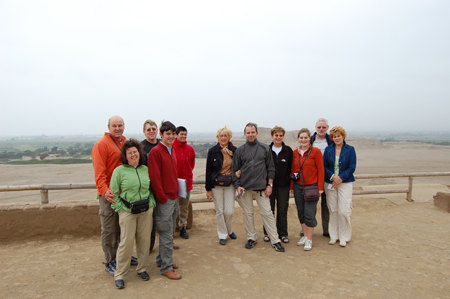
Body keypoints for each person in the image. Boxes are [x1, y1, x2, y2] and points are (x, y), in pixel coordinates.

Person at [92, 115, 137, 276]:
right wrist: (105, 191)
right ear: (108, 127)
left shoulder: (123, 142)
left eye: (120, 125)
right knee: (110, 229)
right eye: (114, 126)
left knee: (122, 228)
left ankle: (122, 256)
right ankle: (110, 261)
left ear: (124, 126)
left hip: (123, 195)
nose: (117, 128)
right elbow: (99, 173)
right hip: (109, 195)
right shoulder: (101, 145)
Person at [231, 122, 285, 252]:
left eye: (252, 132)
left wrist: (269, 185)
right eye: (248, 132)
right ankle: (251, 238)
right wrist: (238, 186)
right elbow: (234, 170)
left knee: (267, 213)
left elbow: (271, 168)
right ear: (245, 134)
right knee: (248, 214)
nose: (250, 135)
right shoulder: (240, 151)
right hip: (245, 188)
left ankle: (275, 239)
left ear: (257, 133)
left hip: (261, 188)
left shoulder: (265, 148)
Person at [110, 139, 156, 289]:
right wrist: (121, 209)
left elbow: (150, 189)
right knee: (126, 243)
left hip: (145, 210)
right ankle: (120, 274)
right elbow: (113, 194)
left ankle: (142, 269)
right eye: (129, 153)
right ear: (125, 155)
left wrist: (151, 204)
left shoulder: (145, 169)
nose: (133, 155)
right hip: (128, 212)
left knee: (144, 241)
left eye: (135, 152)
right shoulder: (119, 171)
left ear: (139, 153)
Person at [148, 121, 182, 280]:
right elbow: (154, 178)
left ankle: (162, 260)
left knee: (168, 232)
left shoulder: (171, 149)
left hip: (173, 197)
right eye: (168, 133)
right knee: (166, 233)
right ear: (161, 135)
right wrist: (162, 197)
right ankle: (166, 268)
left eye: (173, 133)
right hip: (165, 199)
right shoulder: (156, 152)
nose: (171, 136)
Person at [291, 128, 324, 251]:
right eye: (301, 138)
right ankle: (305, 236)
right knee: (301, 212)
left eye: (305, 137)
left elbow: (321, 170)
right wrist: (291, 187)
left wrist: (320, 187)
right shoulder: (295, 152)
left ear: (309, 138)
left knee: (309, 214)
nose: (303, 140)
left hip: (312, 187)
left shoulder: (316, 152)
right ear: (298, 139)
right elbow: (293, 170)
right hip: (298, 186)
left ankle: (309, 240)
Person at [323, 126, 357, 247]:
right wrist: (333, 176)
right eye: (334, 136)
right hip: (331, 182)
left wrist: (341, 177)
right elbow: (324, 166)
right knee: (333, 210)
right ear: (332, 138)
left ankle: (344, 236)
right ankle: (334, 235)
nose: (337, 138)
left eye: (339, 136)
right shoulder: (328, 150)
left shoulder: (350, 149)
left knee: (344, 210)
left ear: (343, 136)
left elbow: (352, 167)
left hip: (345, 183)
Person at [205, 126, 238, 245]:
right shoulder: (212, 151)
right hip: (216, 184)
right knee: (219, 210)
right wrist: (208, 189)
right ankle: (223, 234)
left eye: (225, 135)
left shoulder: (235, 150)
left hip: (230, 183)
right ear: (218, 137)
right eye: (221, 136)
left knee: (229, 211)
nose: (223, 138)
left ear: (229, 137)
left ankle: (229, 230)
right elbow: (208, 170)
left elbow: (239, 166)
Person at [262, 126, 293, 244]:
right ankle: (268, 233)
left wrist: (290, 186)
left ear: (283, 136)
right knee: (269, 210)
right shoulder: (266, 150)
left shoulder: (288, 151)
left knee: (282, 209)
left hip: (283, 185)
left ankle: (283, 233)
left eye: (280, 135)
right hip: (269, 185)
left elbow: (291, 168)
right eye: (276, 135)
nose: (278, 137)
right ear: (272, 136)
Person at [310, 118, 333, 237]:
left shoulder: (331, 141)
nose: (321, 129)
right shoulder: (311, 141)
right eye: (319, 127)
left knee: (327, 205)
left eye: (323, 127)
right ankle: (309, 229)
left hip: (328, 177)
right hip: (314, 178)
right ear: (315, 128)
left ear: (327, 128)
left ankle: (327, 229)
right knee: (311, 204)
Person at [173, 126, 196, 239]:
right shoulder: (171, 147)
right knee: (173, 207)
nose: (183, 136)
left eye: (185, 134)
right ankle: (172, 229)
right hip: (173, 183)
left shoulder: (190, 149)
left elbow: (191, 165)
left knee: (184, 207)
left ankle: (183, 227)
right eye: (181, 134)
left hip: (186, 182)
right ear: (176, 135)